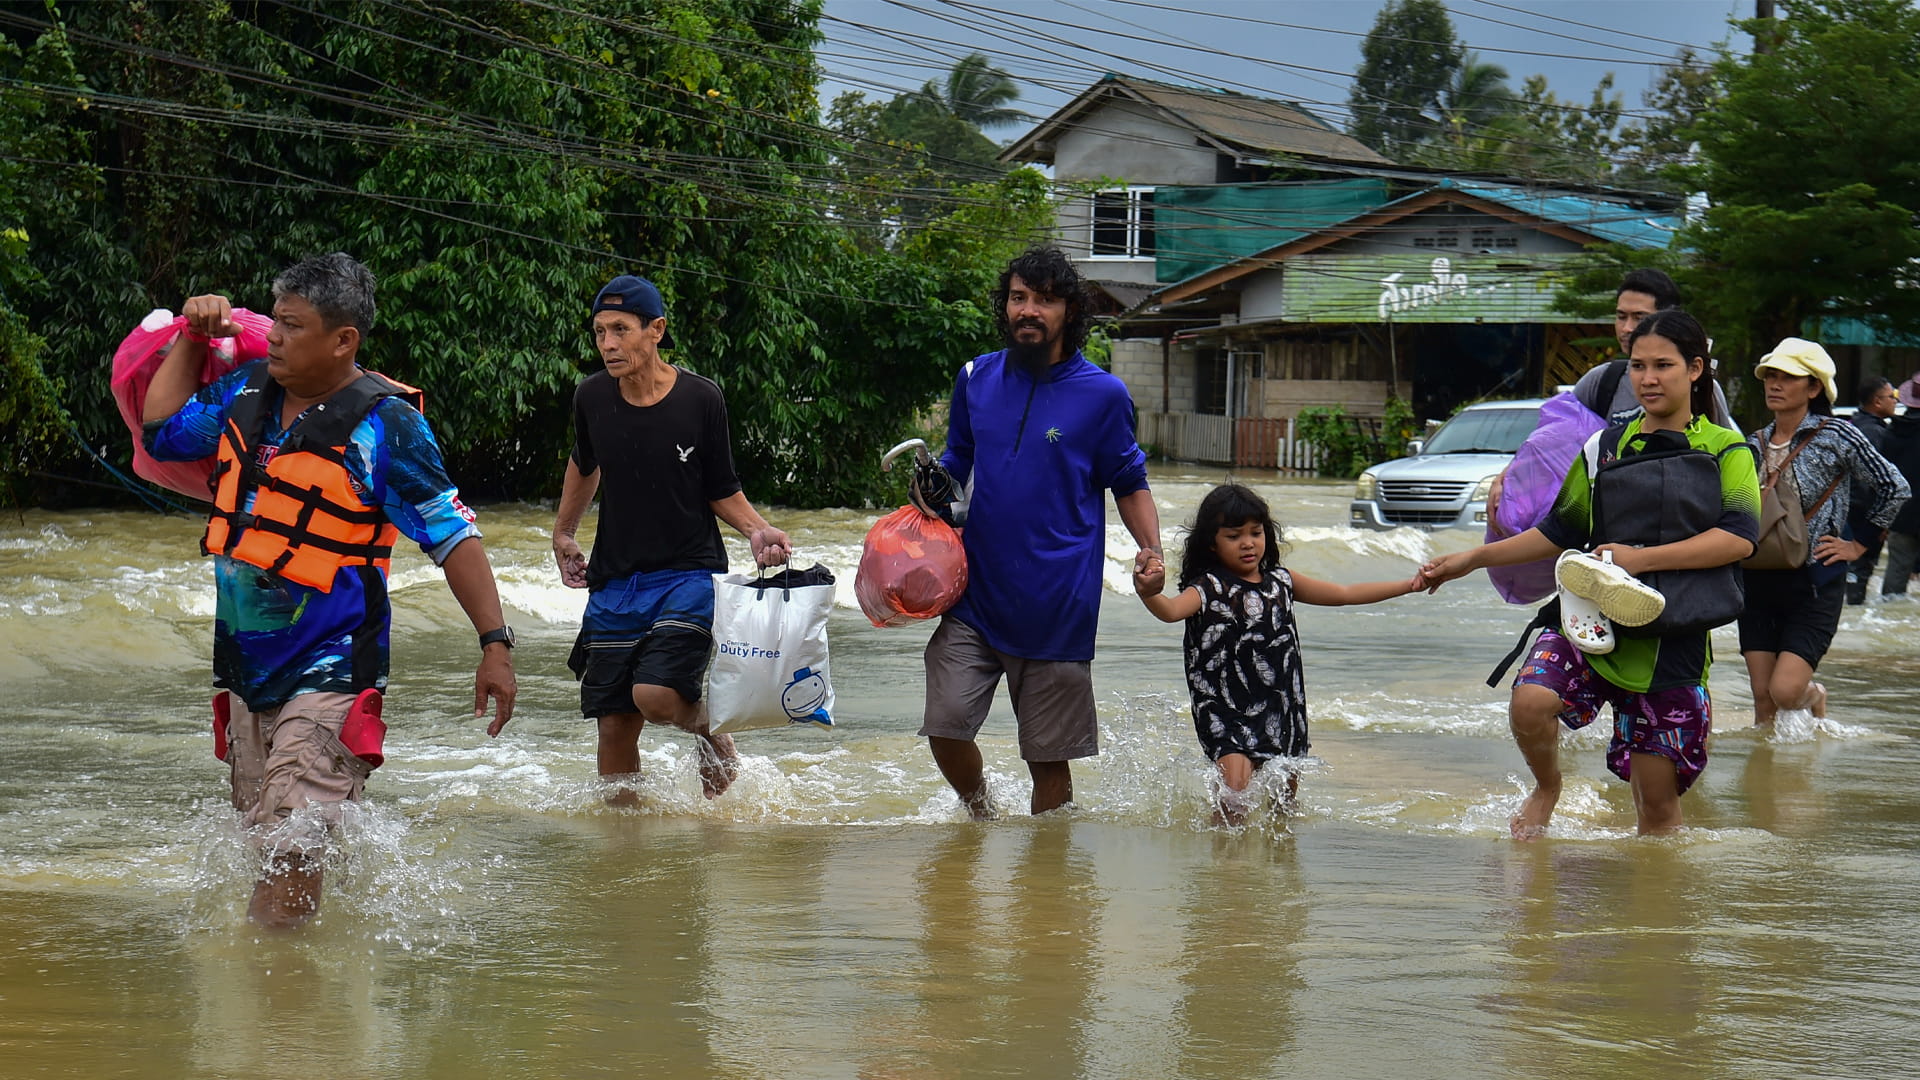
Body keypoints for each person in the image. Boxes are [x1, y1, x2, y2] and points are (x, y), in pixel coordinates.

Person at [141, 252, 517, 928]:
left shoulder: (388, 426)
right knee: (266, 839)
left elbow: (451, 535)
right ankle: (305, 1000)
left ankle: (281, 1012)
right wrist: (192, 339)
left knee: (290, 848)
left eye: (291, 325)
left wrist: (495, 643)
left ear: (344, 340)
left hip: (334, 666)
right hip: (245, 668)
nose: (274, 337)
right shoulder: (245, 392)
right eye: (274, 322)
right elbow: (162, 432)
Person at [1422, 310, 1760, 838]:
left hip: (1671, 641)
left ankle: (1650, 916)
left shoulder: (1726, 449)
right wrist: (1472, 558)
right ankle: (1547, 787)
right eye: (1637, 366)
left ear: (1695, 369)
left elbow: (1739, 537)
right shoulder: (1603, 447)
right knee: (1531, 700)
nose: (1647, 378)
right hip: (1587, 617)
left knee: (1657, 817)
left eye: (1663, 366)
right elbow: (1559, 530)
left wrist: (1640, 558)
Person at [913, 246, 1161, 818]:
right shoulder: (975, 376)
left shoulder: (1103, 395)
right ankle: (982, 815)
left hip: (1058, 605)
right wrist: (933, 485)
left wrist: (1151, 549)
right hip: (974, 596)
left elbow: (1129, 480)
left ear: (1069, 311)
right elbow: (960, 458)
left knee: (1047, 761)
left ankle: (1047, 886)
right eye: (1018, 297)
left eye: (1045, 299)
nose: (1029, 310)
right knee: (945, 727)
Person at [551, 274, 791, 805]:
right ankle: (627, 849)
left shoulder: (701, 399)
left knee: (656, 697)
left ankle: (710, 730)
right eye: (599, 333)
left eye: (620, 330)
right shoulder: (590, 396)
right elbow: (584, 462)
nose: (608, 345)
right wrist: (564, 532)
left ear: (655, 330)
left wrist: (758, 530)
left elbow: (720, 487)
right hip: (614, 580)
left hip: (689, 572)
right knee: (614, 726)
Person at [1132, 484, 1422, 825]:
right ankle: (1222, 871)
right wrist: (1149, 592)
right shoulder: (1208, 588)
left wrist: (1410, 584)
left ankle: (1275, 871)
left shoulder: (1282, 581)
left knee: (1282, 809)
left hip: (1281, 707)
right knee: (1234, 799)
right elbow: (1168, 611)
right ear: (1212, 542)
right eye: (1234, 535)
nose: (1248, 543)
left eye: (1256, 533)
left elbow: (1345, 593)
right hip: (1225, 710)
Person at [1739, 340, 1908, 726]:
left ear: (1814, 388)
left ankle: (1815, 694)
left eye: (1788, 377)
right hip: (1756, 583)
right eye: (1772, 376)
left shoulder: (1838, 436)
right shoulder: (1752, 444)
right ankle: (1768, 781)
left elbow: (1894, 486)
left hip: (1815, 582)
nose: (1775, 385)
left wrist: (1859, 544)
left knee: (1784, 692)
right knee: (1763, 703)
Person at [1843, 376, 1899, 603]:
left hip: (1849, 511)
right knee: (1859, 568)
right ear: (1877, 401)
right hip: (1862, 514)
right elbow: (1871, 481)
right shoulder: (1873, 433)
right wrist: (1880, 520)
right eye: (1892, 396)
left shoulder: (1854, 425)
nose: (1896, 401)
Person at [1877, 375, 1920, 597]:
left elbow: (1882, 479)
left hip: (1901, 515)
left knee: (1894, 580)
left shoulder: (1892, 432)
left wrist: (1882, 519)